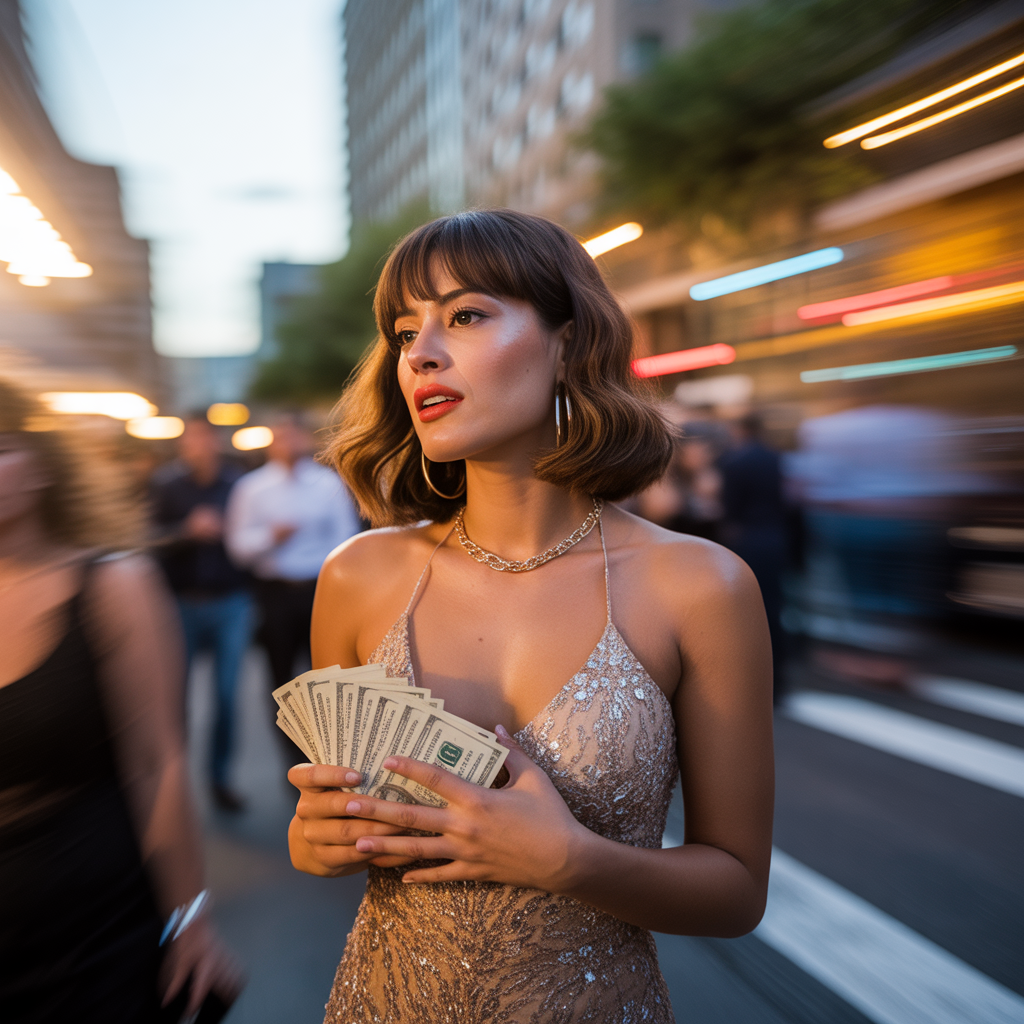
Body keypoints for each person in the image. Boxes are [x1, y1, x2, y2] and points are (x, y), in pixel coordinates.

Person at [287, 210, 774, 1022]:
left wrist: (572, 861)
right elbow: (324, 833)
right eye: (404, 332)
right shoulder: (359, 576)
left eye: (466, 315)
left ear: (567, 341)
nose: (421, 353)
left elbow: (735, 893)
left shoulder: (701, 585)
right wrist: (318, 841)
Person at [0, 378, 239, 1021]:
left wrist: (189, 918)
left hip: (95, 937)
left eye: (1, 445)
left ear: (43, 465)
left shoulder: (112, 585)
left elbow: (156, 763)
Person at [224, 415, 361, 754]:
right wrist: (270, 537)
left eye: (293, 435)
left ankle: (332, 755)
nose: (288, 443)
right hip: (275, 593)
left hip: (320, 590)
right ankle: (294, 761)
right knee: (281, 681)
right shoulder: (251, 487)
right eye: (280, 436)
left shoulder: (327, 483)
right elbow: (238, 547)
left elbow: (348, 539)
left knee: (330, 679)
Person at [151, 415, 255, 812]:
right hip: (179, 604)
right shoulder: (165, 484)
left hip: (232, 601)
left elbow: (254, 534)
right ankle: (170, 787)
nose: (198, 445)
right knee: (172, 699)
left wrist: (237, 531)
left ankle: (220, 779)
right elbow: (145, 538)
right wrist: (185, 531)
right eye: (191, 438)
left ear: (217, 441)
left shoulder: (239, 485)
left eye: (205, 437)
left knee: (227, 697)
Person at [718, 413, 789, 703]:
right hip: (775, 536)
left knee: (748, 610)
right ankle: (780, 679)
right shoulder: (776, 458)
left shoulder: (734, 462)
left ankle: (756, 680)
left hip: (748, 538)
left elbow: (729, 508)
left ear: (740, 429)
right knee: (774, 607)